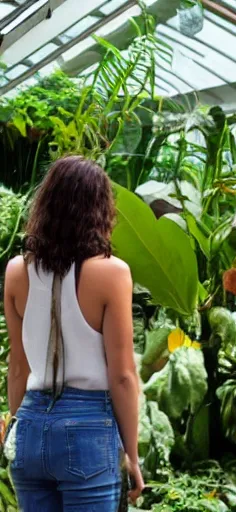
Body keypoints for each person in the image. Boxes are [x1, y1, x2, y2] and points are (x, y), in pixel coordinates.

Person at [2, 155, 144, 511]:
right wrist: (134, 456)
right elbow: (123, 375)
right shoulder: (112, 274)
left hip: (31, 425)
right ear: (100, 210)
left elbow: (17, 366)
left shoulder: (17, 271)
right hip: (88, 428)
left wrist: (17, 433)